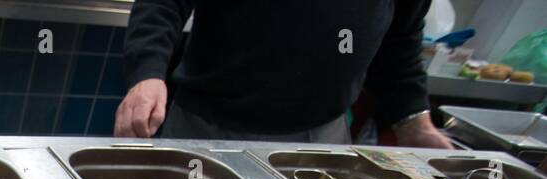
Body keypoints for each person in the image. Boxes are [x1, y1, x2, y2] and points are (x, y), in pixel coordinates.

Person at [114, 0, 453, 147]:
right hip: (205, 125)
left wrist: (414, 120)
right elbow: (162, 4)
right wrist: (147, 73)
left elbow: (400, 41)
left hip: (323, 138)